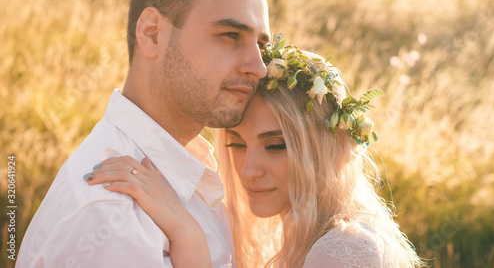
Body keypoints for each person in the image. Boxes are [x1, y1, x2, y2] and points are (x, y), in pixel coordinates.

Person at [17, 0, 270, 267]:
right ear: (152, 33)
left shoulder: (187, 168)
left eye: (261, 45)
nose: (258, 67)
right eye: (230, 35)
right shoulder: (112, 217)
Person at [86, 38, 423, 267]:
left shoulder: (347, 251)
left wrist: (185, 232)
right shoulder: (302, 235)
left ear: (331, 146)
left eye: (276, 145)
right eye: (237, 145)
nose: (248, 171)